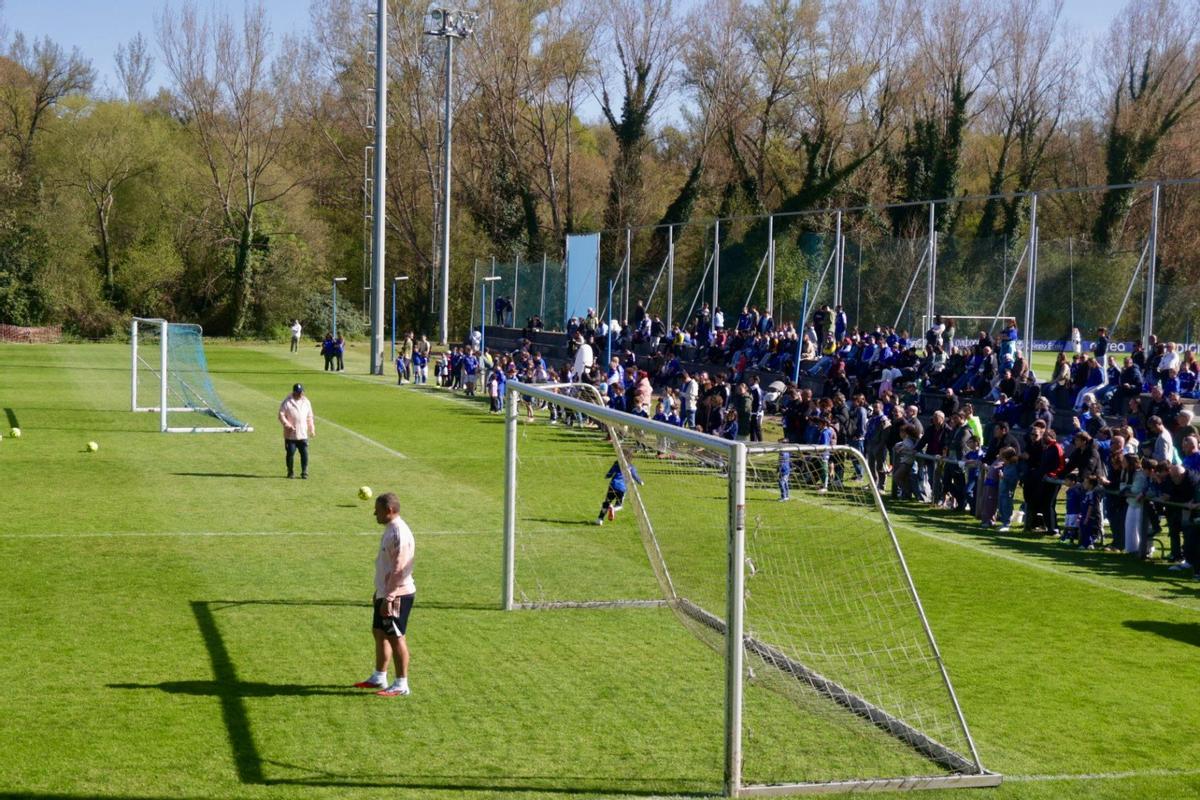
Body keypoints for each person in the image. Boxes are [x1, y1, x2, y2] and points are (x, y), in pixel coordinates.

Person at [353, 492, 416, 697]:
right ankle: (379, 676)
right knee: (379, 633)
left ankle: (401, 684)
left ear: (389, 510)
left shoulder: (399, 533)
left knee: (396, 637)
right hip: (386, 592)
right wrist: (379, 591)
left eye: (377, 510)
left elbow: (399, 569)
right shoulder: (391, 529)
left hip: (396, 594)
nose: (374, 514)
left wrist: (388, 597)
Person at [278, 383, 314, 479]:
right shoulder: (287, 402)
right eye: (298, 392)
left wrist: (311, 429)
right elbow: (281, 415)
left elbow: (309, 417)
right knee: (290, 453)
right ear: (294, 392)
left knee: (304, 453)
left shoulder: (306, 402)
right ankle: (290, 472)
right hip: (291, 435)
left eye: (301, 392)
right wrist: (287, 425)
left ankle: (304, 472)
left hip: (302, 433)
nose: (300, 394)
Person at [596, 455, 642, 525]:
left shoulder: (616, 464)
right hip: (622, 488)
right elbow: (635, 476)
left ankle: (600, 519)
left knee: (607, 502)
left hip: (613, 486)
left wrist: (607, 476)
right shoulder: (631, 467)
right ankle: (613, 509)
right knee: (619, 505)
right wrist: (640, 482)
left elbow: (609, 474)